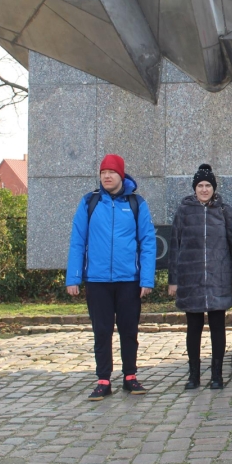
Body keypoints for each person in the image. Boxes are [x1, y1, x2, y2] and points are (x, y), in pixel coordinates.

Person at [66, 154, 156, 400]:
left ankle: (130, 376)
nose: (106, 176)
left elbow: (147, 242)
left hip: (129, 280)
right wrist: (73, 277)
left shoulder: (137, 203)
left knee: (129, 330)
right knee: (102, 331)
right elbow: (78, 241)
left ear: (121, 175)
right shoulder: (90, 203)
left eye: (111, 172)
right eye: (103, 172)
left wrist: (146, 279)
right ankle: (103, 380)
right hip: (97, 281)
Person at [168, 164, 232, 390]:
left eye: (208, 185)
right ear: (194, 188)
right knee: (193, 327)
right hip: (191, 278)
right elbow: (175, 246)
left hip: (218, 277)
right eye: (200, 185)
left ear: (214, 188)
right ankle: (194, 374)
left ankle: (217, 374)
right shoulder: (184, 211)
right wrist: (173, 280)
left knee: (218, 326)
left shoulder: (224, 211)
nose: (204, 189)